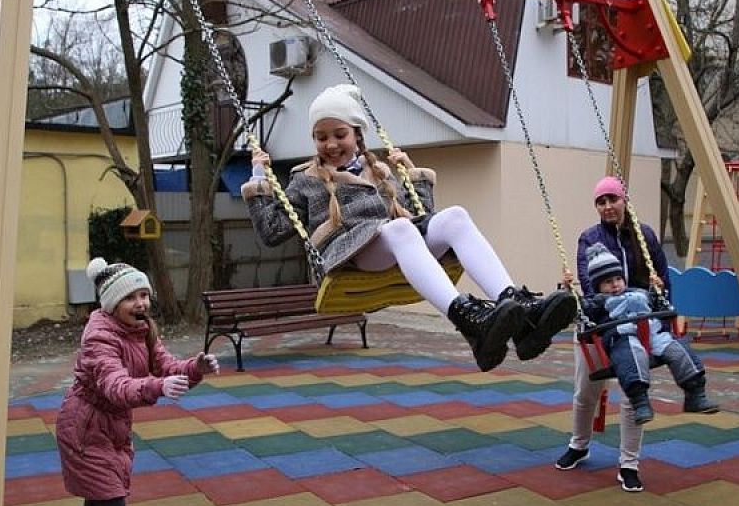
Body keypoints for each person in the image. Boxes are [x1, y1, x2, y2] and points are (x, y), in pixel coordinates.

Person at [242, 84, 575, 372]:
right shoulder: (305, 180)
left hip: (390, 244)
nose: (330, 144)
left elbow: (423, 218)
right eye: (321, 137)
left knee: (454, 216)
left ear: (358, 135)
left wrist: (411, 175)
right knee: (400, 229)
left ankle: (521, 314)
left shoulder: (381, 172)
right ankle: (468, 319)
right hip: (347, 255)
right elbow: (272, 232)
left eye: (339, 134)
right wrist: (259, 179)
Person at [55, 257, 220, 506]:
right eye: (131, 296)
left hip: (107, 424)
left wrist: (196, 367)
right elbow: (115, 386)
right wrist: (156, 387)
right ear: (112, 303)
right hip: (85, 425)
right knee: (111, 502)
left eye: (144, 294)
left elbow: (165, 365)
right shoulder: (100, 337)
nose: (141, 303)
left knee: (100, 492)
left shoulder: (143, 330)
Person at [554, 175, 713, 492]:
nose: (608, 206)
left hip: (639, 323)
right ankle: (579, 444)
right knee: (587, 391)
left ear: (624, 200)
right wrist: (594, 301)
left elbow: (662, 278)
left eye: (613, 199)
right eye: (601, 201)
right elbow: (588, 283)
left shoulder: (645, 235)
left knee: (632, 394)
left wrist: (658, 314)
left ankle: (629, 463)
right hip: (599, 325)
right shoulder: (590, 238)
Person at [577, 243, 718, 423]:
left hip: (653, 334)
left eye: (618, 279)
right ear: (598, 286)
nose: (615, 285)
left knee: (678, 348)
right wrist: (573, 296)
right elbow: (584, 311)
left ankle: (695, 395)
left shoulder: (639, 292)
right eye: (607, 282)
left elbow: (658, 306)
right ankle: (640, 402)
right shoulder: (597, 302)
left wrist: (658, 291)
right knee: (631, 355)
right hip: (622, 337)